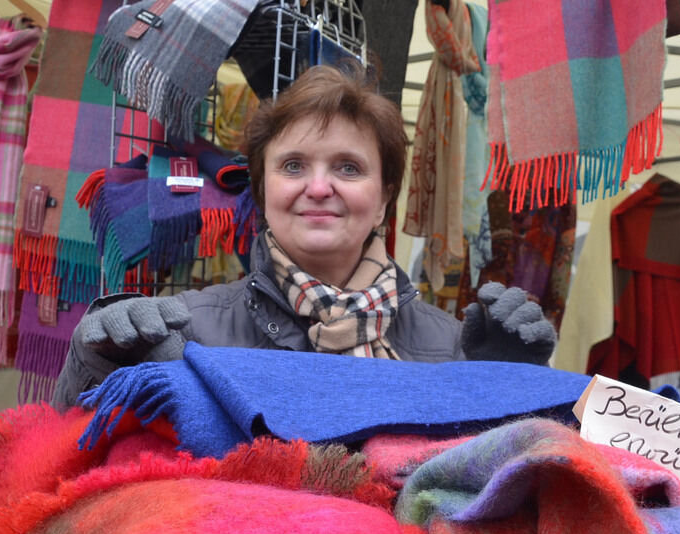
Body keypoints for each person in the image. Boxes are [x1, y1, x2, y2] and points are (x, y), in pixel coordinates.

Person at [52, 63, 556, 409]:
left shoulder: (451, 348)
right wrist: (93, 366)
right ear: (263, 188)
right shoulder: (189, 330)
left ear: (384, 197)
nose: (318, 187)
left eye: (348, 167)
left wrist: (509, 388)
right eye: (293, 165)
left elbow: (485, 498)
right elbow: (80, 453)